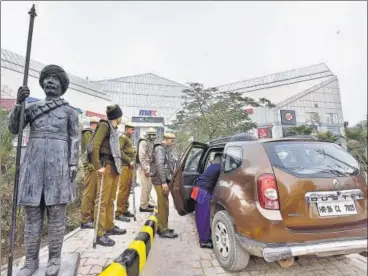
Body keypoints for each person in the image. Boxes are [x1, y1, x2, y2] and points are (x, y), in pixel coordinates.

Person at [8, 65, 80, 276]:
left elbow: (75, 138)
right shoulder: (32, 108)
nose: (50, 82)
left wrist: (73, 163)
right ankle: (30, 262)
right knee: (32, 215)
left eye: (54, 79)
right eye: (46, 79)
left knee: (57, 215)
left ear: (62, 85)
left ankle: (55, 259)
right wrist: (19, 103)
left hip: (58, 167)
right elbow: (14, 128)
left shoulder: (68, 111)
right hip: (33, 166)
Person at [90, 105, 126, 247]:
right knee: (102, 201)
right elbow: (95, 145)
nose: (121, 118)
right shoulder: (105, 125)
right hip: (106, 166)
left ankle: (109, 226)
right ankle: (99, 234)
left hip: (114, 167)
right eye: (120, 116)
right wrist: (98, 166)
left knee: (111, 199)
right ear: (117, 116)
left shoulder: (113, 128)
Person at [191, 153, 222, 249]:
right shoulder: (220, 167)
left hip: (197, 188)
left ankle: (204, 236)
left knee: (199, 214)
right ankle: (204, 241)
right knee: (203, 216)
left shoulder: (212, 166)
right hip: (203, 191)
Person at [151, 133, 178, 239]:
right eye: (172, 140)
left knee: (163, 204)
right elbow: (159, 165)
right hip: (159, 180)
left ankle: (161, 226)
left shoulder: (164, 149)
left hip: (161, 179)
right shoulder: (160, 149)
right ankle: (163, 230)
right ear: (166, 139)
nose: (173, 143)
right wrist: (163, 182)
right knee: (164, 205)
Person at [80, 116, 100, 229]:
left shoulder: (92, 133)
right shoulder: (88, 132)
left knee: (93, 194)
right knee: (88, 194)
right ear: (95, 124)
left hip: (94, 167)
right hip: (90, 167)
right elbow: (90, 149)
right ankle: (85, 219)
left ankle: (90, 217)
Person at [115, 122, 136, 222]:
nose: (133, 131)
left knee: (128, 189)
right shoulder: (122, 137)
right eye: (132, 129)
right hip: (124, 166)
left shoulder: (128, 138)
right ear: (127, 128)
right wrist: (129, 160)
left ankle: (125, 209)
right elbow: (119, 151)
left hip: (129, 166)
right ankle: (119, 212)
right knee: (123, 189)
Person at [137, 127, 157, 212]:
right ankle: (143, 206)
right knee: (145, 187)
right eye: (152, 135)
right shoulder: (143, 142)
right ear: (148, 135)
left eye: (154, 135)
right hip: (144, 167)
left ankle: (146, 203)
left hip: (150, 166)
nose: (154, 136)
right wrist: (146, 169)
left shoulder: (151, 143)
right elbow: (141, 156)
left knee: (149, 187)